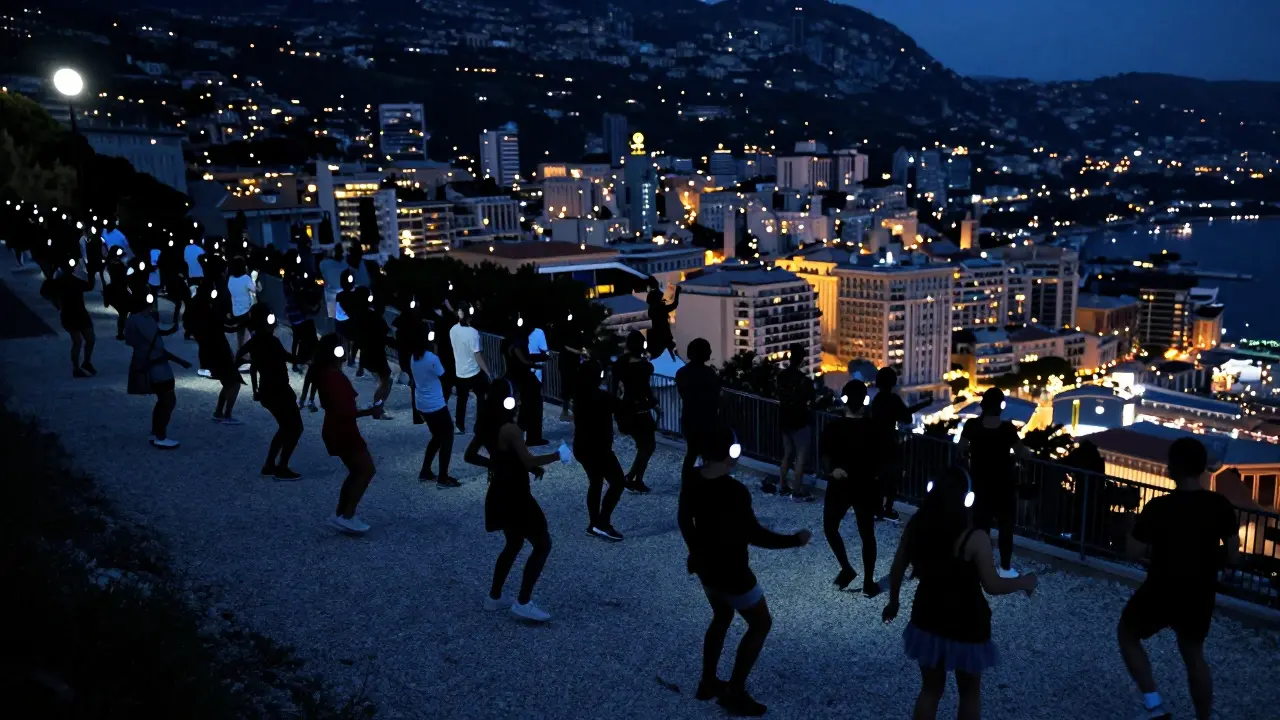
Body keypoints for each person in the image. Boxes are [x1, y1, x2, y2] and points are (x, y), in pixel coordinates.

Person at [882, 467, 1038, 720]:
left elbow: (898, 566)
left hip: (927, 612)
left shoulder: (918, 526)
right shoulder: (975, 538)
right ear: (967, 498)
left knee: (930, 690)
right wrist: (1024, 582)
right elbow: (992, 585)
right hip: (967, 620)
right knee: (969, 693)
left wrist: (894, 602)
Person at [679, 424, 811, 716]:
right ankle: (734, 692)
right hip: (732, 572)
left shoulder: (692, 477)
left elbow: (684, 520)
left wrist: (696, 552)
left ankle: (708, 681)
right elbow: (755, 535)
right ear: (729, 453)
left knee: (722, 615)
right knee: (761, 623)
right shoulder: (734, 491)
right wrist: (794, 541)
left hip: (705, 567)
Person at [1117, 437, 1239, 720]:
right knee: (1194, 656)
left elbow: (1132, 552)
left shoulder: (1159, 507)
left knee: (1128, 634)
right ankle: (1203, 718)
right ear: (1201, 468)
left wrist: (1129, 527)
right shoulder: (1220, 505)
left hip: (1161, 587)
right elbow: (1233, 556)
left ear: (1172, 468)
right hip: (1200, 590)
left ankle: (1154, 704)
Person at [481, 380, 563, 622]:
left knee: (514, 542)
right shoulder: (510, 429)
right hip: (516, 494)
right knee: (542, 543)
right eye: (514, 395)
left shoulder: (487, 426)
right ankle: (523, 602)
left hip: (499, 491)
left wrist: (498, 466)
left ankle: (494, 597)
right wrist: (558, 455)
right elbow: (528, 461)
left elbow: (471, 455)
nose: (517, 399)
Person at [958, 388, 1032, 579]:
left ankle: (980, 566)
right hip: (1004, 486)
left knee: (981, 527)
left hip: (980, 484)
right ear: (1000, 406)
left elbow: (960, 449)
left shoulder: (972, 426)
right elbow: (1022, 452)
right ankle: (1005, 569)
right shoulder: (1007, 429)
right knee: (1006, 529)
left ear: (983, 404)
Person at [313, 333, 381, 534]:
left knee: (356, 471)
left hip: (336, 428)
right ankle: (347, 515)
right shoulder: (334, 377)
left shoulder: (326, 374)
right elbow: (345, 411)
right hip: (343, 430)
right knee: (366, 469)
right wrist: (370, 411)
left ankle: (341, 513)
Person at [820, 380, 881, 596]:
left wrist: (832, 470)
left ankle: (849, 570)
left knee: (832, 528)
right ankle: (867, 582)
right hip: (864, 485)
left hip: (842, 484)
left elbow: (824, 453)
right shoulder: (874, 428)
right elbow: (883, 459)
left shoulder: (835, 426)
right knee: (866, 534)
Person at [234, 305, 304, 480]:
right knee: (295, 428)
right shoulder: (271, 341)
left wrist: (255, 387)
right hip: (279, 390)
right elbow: (287, 357)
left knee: (285, 427)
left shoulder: (255, 341)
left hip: (267, 391)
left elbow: (243, 357)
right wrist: (305, 358)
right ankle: (281, 466)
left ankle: (270, 464)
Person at [124, 289, 189, 449]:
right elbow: (157, 345)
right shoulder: (145, 320)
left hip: (147, 362)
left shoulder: (132, 319)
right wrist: (179, 360)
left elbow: (133, 341)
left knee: (163, 400)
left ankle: (156, 432)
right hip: (157, 365)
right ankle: (160, 435)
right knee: (168, 400)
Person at [574, 359, 626, 542]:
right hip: (599, 448)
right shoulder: (602, 397)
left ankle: (594, 523)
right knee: (618, 482)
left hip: (582, 446)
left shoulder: (579, 394)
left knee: (595, 482)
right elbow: (623, 408)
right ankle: (602, 522)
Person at [870, 367, 931, 521]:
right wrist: (923, 404)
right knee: (893, 477)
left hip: (876, 441)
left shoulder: (877, 399)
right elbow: (906, 417)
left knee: (878, 476)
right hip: (889, 441)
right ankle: (888, 509)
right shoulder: (893, 399)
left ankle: (876, 508)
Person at [189, 278, 245, 425]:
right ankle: (226, 414)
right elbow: (226, 327)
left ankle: (219, 412)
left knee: (228, 382)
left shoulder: (199, 308)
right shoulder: (208, 311)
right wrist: (242, 324)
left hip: (214, 350)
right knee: (234, 382)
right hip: (219, 350)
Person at [411, 329, 460, 488]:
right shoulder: (431, 358)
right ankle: (443, 477)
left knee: (437, 437)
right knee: (447, 436)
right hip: (435, 404)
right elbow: (443, 374)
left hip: (422, 404)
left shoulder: (413, 357)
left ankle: (425, 471)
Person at [768, 343, 816, 501]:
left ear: (789, 357)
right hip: (800, 421)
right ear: (802, 359)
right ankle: (797, 491)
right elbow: (812, 399)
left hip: (784, 419)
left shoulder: (781, 376)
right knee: (800, 457)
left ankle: (782, 485)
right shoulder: (804, 381)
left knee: (788, 454)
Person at [612, 330, 656, 494]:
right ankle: (632, 478)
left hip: (626, 407)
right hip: (641, 409)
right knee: (648, 445)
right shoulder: (644, 367)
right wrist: (654, 404)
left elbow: (614, 389)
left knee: (643, 445)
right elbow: (645, 390)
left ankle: (633, 478)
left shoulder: (620, 364)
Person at [676, 338, 720, 474]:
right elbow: (715, 396)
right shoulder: (710, 373)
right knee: (708, 453)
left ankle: (688, 481)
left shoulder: (682, 372)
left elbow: (684, 394)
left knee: (692, 452)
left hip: (689, 418)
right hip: (707, 419)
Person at [505, 322, 548, 446]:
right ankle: (533, 437)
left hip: (519, 378)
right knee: (533, 408)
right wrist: (538, 363)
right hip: (525, 378)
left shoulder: (509, 343)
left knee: (525, 408)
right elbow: (525, 360)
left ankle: (522, 435)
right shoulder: (518, 343)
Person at [450, 306, 491, 434]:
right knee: (481, 397)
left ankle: (459, 425)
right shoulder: (473, 333)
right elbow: (477, 356)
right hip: (474, 371)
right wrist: (488, 372)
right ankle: (481, 425)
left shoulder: (452, 330)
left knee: (461, 400)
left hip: (460, 371)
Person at [53, 257, 97, 377]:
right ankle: (76, 368)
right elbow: (89, 286)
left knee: (90, 339)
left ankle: (86, 362)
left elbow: (88, 286)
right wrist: (57, 303)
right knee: (78, 341)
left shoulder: (73, 281)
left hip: (79, 313)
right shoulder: (59, 282)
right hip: (69, 314)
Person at [359, 293, 394, 419]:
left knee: (386, 381)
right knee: (386, 382)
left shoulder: (365, 316)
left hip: (369, 354)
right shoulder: (378, 319)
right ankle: (377, 408)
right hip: (377, 355)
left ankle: (378, 406)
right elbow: (386, 336)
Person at [553, 312, 589, 421]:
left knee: (569, 388)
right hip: (568, 364)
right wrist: (578, 352)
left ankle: (568, 411)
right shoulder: (571, 334)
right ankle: (569, 411)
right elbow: (568, 347)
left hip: (569, 364)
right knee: (570, 388)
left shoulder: (570, 333)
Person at [645, 277, 680, 361]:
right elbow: (674, 304)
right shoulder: (661, 309)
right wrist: (677, 292)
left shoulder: (651, 310)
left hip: (654, 336)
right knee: (671, 356)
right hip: (663, 335)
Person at [226, 255, 256, 354]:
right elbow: (254, 289)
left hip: (236, 311)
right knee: (253, 332)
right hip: (246, 311)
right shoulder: (246, 278)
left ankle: (240, 352)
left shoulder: (230, 279)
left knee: (240, 334)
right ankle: (253, 353)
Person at [103, 249, 130, 340]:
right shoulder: (115, 266)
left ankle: (123, 331)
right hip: (117, 291)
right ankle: (121, 332)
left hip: (120, 291)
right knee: (123, 313)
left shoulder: (116, 266)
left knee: (124, 313)